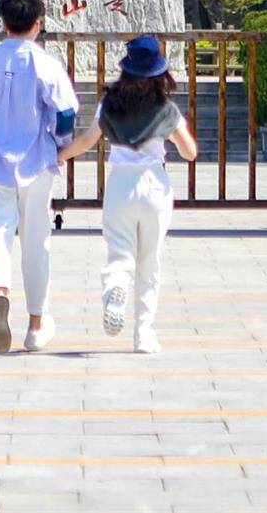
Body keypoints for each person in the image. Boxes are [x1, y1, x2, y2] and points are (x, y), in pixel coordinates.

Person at [0, 0, 79, 352]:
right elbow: (66, 114)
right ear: (38, 25)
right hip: (35, 161)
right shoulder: (46, 65)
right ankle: (37, 325)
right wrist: (60, 144)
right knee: (36, 240)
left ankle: (0, 291)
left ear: (3, 23)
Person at [59, 33, 198, 354]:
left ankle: (115, 288)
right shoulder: (166, 109)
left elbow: (86, 141)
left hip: (120, 185)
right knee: (149, 262)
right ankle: (144, 334)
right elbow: (189, 152)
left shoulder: (109, 104)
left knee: (119, 254)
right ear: (159, 72)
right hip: (154, 186)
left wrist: (59, 156)